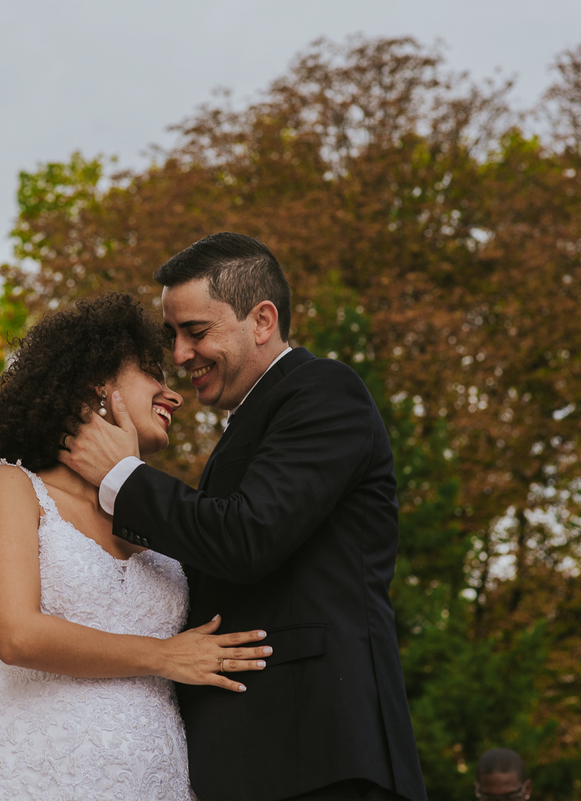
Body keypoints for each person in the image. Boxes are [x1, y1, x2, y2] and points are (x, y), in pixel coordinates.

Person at [61, 233, 428, 801]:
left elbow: (247, 537)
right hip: (260, 760)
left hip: (321, 755)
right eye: (173, 336)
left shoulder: (324, 392)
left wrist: (121, 475)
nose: (181, 356)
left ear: (262, 320)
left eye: (196, 332)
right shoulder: (250, 428)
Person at [0, 293, 272, 800]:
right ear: (97, 386)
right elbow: (16, 635)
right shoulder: (13, 488)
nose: (172, 396)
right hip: (50, 777)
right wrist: (166, 656)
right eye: (154, 373)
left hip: (163, 779)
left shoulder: (156, 518)